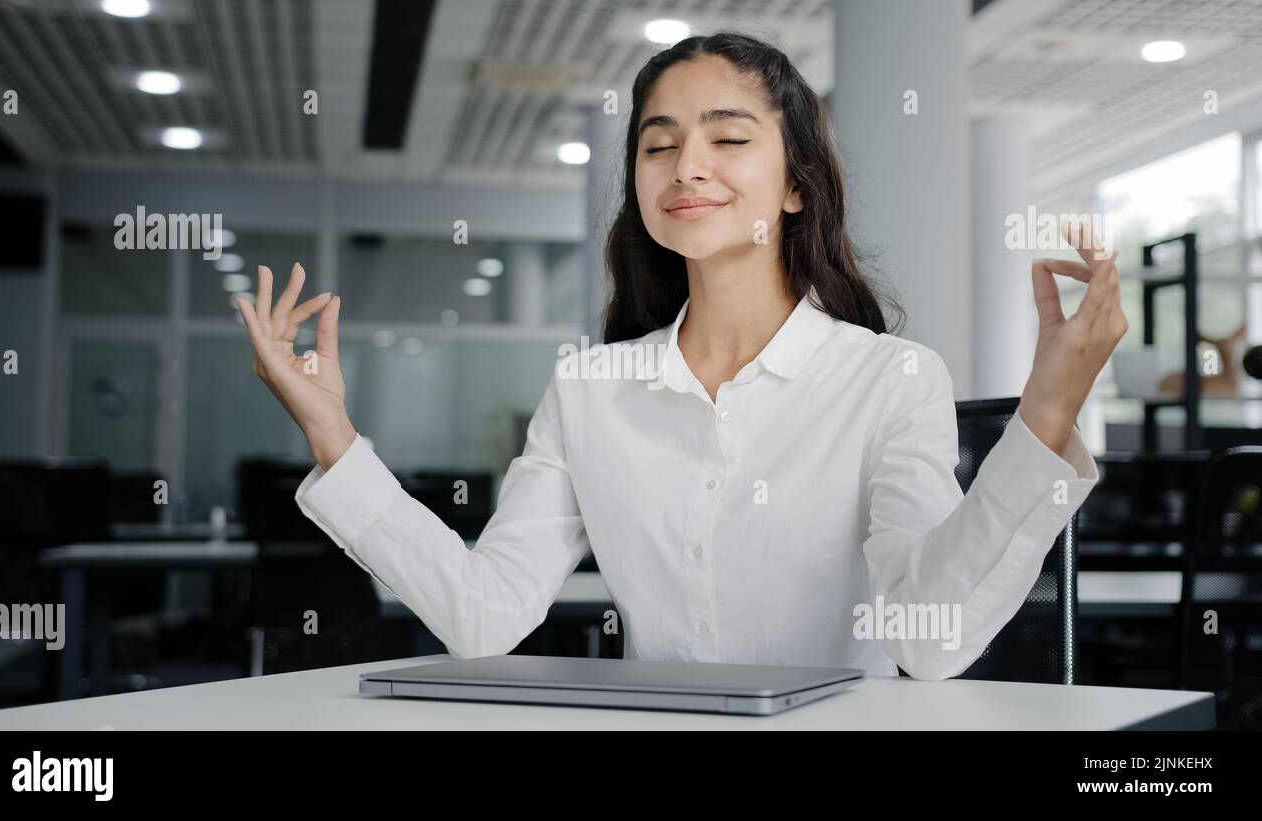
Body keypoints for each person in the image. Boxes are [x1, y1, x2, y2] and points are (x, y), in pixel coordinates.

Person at [236, 32, 1124, 680]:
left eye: (729, 139)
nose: (685, 165)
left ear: (794, 186)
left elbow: (930, 642)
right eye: (658, 145)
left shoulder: (888, 380)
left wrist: (1046, 416)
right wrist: (334, 438)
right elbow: (484, 613)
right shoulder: (591, 388)